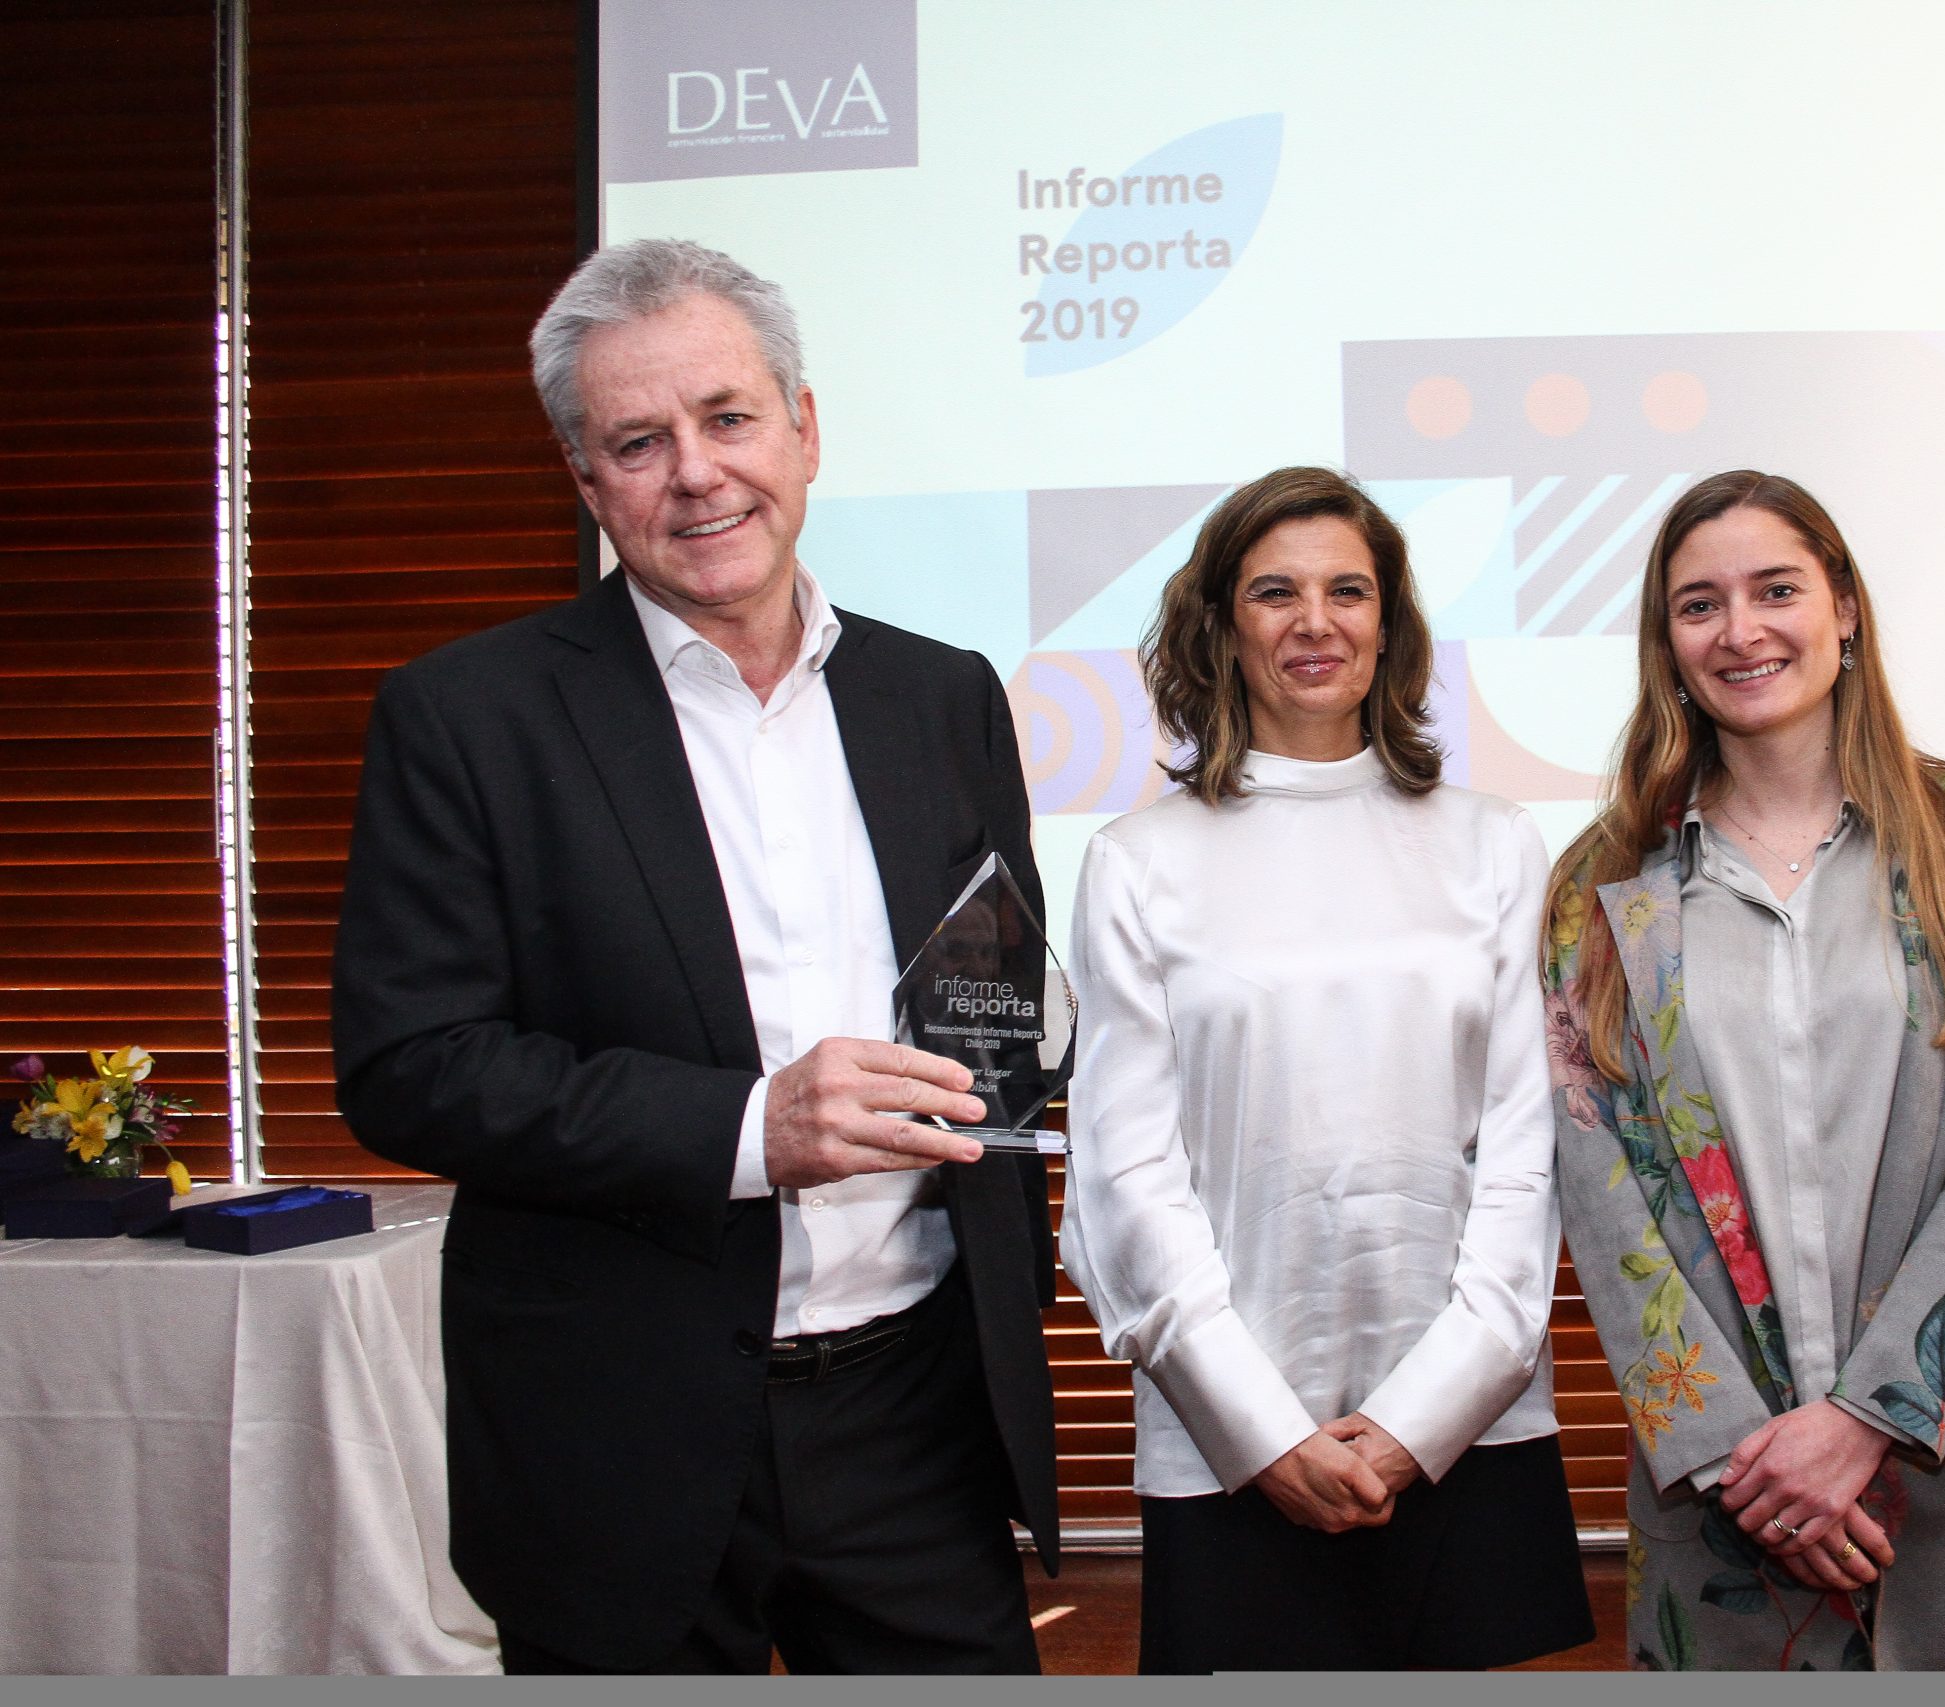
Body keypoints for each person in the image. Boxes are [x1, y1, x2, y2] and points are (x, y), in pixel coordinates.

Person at [331, 238, 1058, 1675]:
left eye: (729, 418)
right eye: (638, 442)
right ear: (585, 477)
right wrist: (747, 1127)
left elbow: (998, 994)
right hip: (615, 1428)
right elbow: (412, 1065)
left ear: (804, 427)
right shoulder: (465, 717)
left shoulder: (943, 696)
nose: (697, 474)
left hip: (918, 1409)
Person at [1542, 471, 1945, 1672]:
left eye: (1776, 590)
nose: (1740, 630)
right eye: (1699, 605)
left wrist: (1863, 1420)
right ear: (1666, 642)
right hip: (1730, 1489)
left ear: (1843, 608)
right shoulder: (1601, 885)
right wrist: (1745, 1462)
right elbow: (1602, 1193)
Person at [1059, 467, 1594, 1672]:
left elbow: (1525, 1155)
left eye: (1347, 591)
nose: (1315, 622)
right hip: (1234, 1443)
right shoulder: (1137, 862)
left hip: (1465, 1427)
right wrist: (1261, 1432)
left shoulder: (1494, 844)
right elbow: (1125, 1179)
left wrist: (1417, 1424)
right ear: (1219, 624)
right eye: (1274, 593)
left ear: (1388, 625)